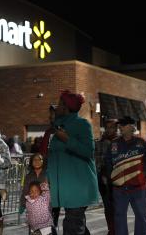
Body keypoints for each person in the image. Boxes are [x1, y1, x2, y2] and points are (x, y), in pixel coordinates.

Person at [48, 90, 99, 235]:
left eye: (59, 103)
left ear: (66, 106)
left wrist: (66, 139)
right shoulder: (58, 126)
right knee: (76, 224)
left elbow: (88, 152)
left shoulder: (82, 124)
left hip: (79, 185)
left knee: (72, 226)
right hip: (64, 185)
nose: (57, 106)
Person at [105, 116, 146, 235]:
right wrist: (111, 176)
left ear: (132, 127)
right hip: (119, 189)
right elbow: (108, 162)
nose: (120, 127)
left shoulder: (142, 143)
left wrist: (145, 174)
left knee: (141, 216)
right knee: (119, 217)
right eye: (120, 125)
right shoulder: (114, 144)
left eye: (123, 125)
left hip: (138, 188)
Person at [95, 118, 119, 235]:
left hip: (119, 179)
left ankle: (118, 229)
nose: (109, 129)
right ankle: (111, 230)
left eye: (112, 127)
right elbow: (97, 160)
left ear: (116, 128)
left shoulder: (121, 141)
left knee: (118, 206)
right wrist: (101, 174)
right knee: (108, 206)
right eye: (107, 127)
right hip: (104, 179)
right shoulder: (100, 142)